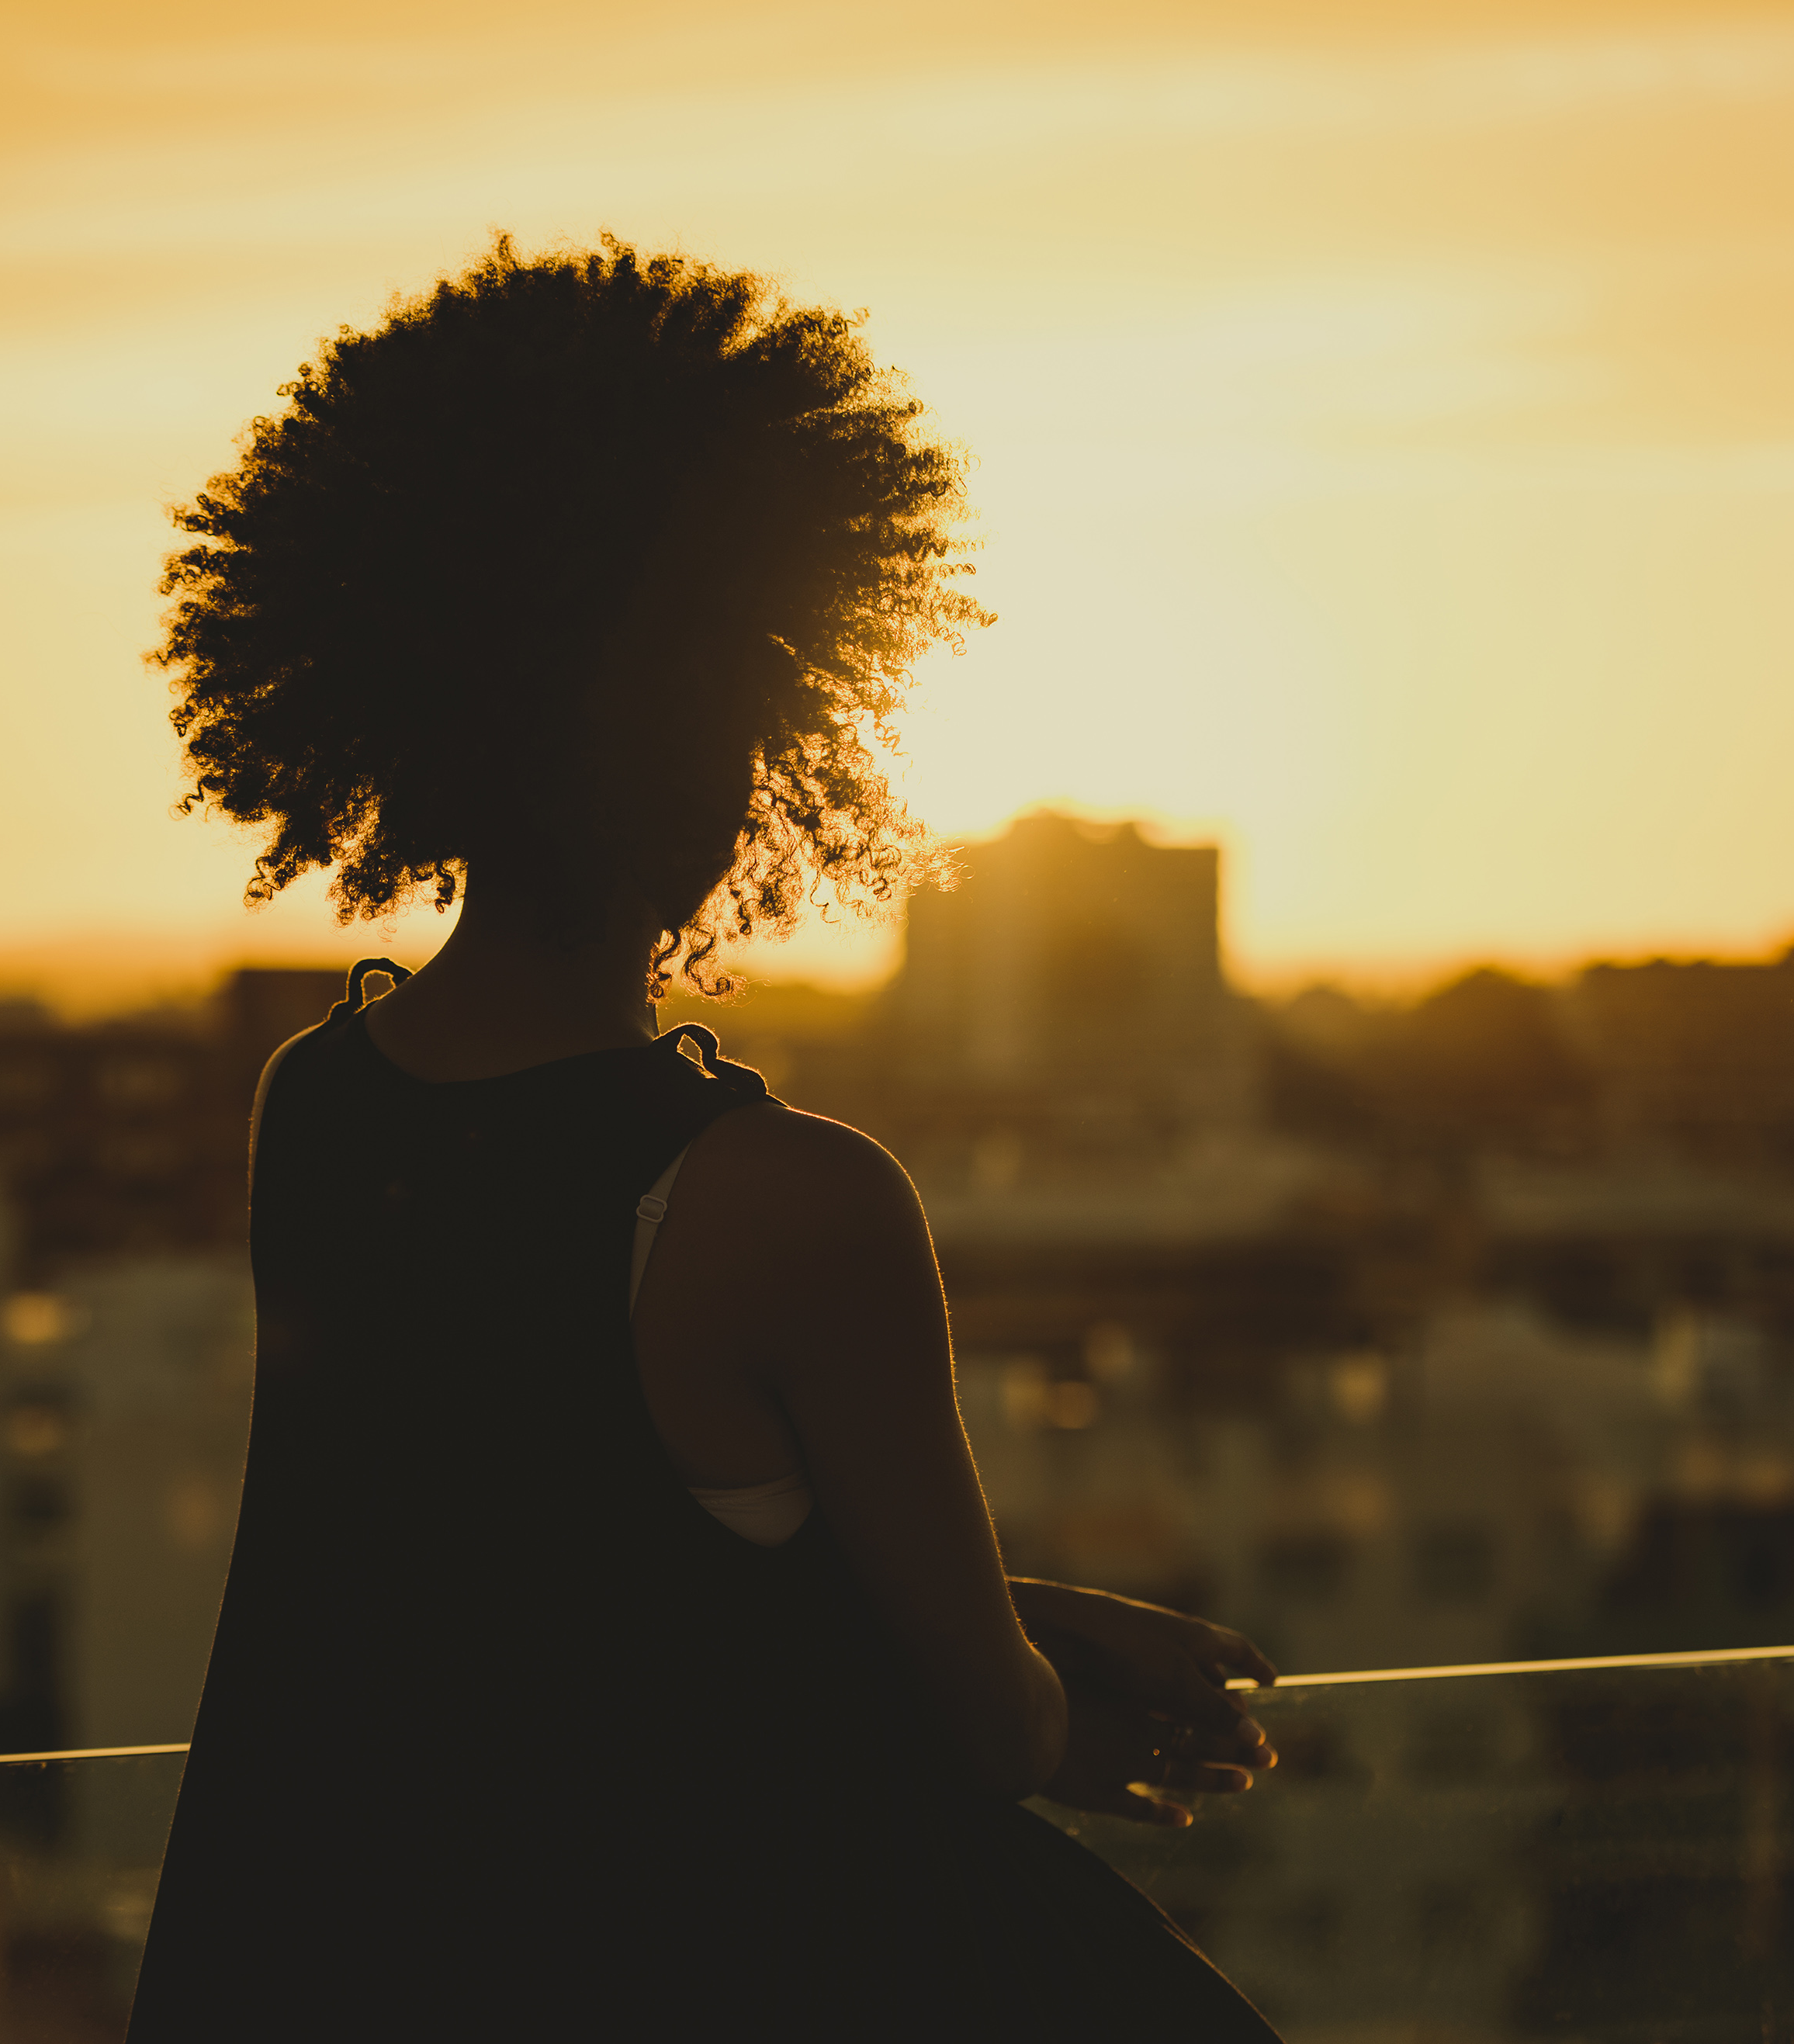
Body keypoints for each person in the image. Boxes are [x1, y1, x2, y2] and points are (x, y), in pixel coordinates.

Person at [126, 235, 1281, 2038]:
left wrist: (1001, 1603)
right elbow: (991, 1734)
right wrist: (1056, 1680)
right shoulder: (786, 1202)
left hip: (385, 1958)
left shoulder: (317, 1104)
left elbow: (537, 1576)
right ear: (753, 767)